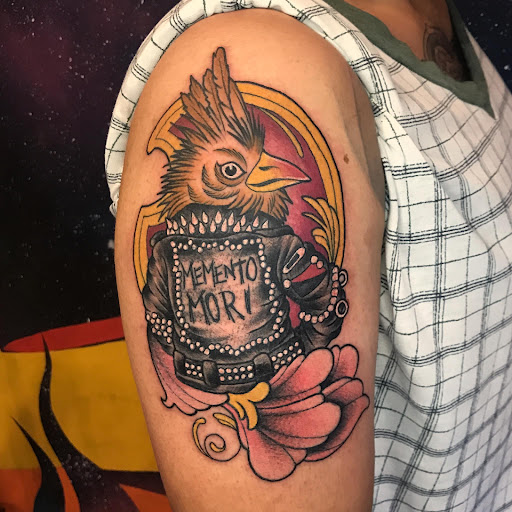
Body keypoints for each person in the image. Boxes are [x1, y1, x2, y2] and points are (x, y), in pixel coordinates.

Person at [106, 0, 512, 510]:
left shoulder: (431, 12)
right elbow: (164, 313)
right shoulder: (274, 59)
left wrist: (311, 332)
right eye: (231, 170)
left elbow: (317, 295)